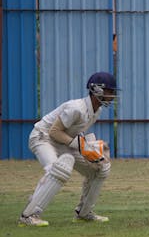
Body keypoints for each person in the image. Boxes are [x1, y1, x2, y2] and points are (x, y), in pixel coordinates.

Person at [18, 72, 119, 227]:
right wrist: (82, 146)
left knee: (100, 168)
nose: (112, 96)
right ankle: (28, 216)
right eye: (110, 91)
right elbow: (54, 131)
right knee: (59, 169)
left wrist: (91, 147)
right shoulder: (76, 108)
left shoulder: (96, 111)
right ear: (97, 90)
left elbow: (75, 132)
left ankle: (84, 213)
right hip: (42, 137)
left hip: (62, 141)